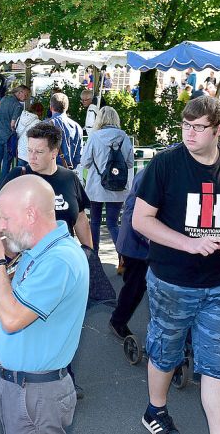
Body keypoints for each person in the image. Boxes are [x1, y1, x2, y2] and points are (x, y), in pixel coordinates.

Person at [132, 96, 220, 434]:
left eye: (198, 127)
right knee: (165, 349)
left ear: (219, 129)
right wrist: (188, 243)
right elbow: (141, 220)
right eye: (185, 126)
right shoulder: (166, 164)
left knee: (218, 360)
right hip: (172, 280)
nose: (189, 133)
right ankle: (155, 410)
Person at [0, 175, 88, 434]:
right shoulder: (40, 249)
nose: (0, 226)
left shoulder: (58, 260)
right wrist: (1, 269)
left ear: (30, 215)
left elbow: (12, 319)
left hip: (37, 396)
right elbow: (21, 295)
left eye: (5, 218)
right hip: (28, 390)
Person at [81, 106, 134, 250]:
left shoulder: (94, 136)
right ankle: (123, 258)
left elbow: (85, 162)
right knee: (112, 223)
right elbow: (130, 164)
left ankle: (94, 257)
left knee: (95, 222)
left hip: (96, 187)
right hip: (118, 186)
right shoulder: (124, 137)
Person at [108, 167, 150, 339]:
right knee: (135, 287)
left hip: (143, 241)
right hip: (136, 243)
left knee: (139, 287)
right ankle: (117, 321)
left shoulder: (156, 170)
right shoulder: (152, 173)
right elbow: (136, 215)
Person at [0, 85, 29, 195]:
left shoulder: (4, 99)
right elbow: (13, 124)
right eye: (26, 94)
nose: (27, 97)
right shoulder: (18, 106)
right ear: (20, 92)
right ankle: (1, 190)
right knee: (6, 164)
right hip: (8, 137)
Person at [48, 92, 83, 170]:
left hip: (48, 171)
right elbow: (78, 154)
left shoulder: (44, 125)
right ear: (66, 108)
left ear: (51, 107)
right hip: (68, 170)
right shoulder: (77, 127)